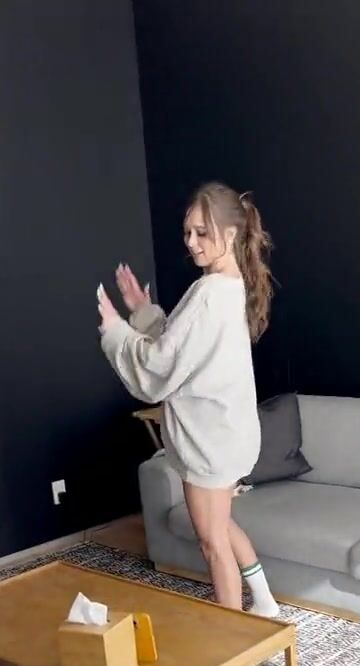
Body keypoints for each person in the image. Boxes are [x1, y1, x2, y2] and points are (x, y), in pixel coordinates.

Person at [96, 180, 279, 617]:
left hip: (209, 441)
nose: (191, 242)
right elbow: (182, 350)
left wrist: (116, 331)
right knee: (221, 523)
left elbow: (159, 367)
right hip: (229, 434)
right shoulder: (231, 285)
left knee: (211, 542)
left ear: (230, 234)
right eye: (187, 232)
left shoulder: (209, 292)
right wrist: (142, 311)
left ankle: (234, 639)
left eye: (201, 232)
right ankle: (266, 603)